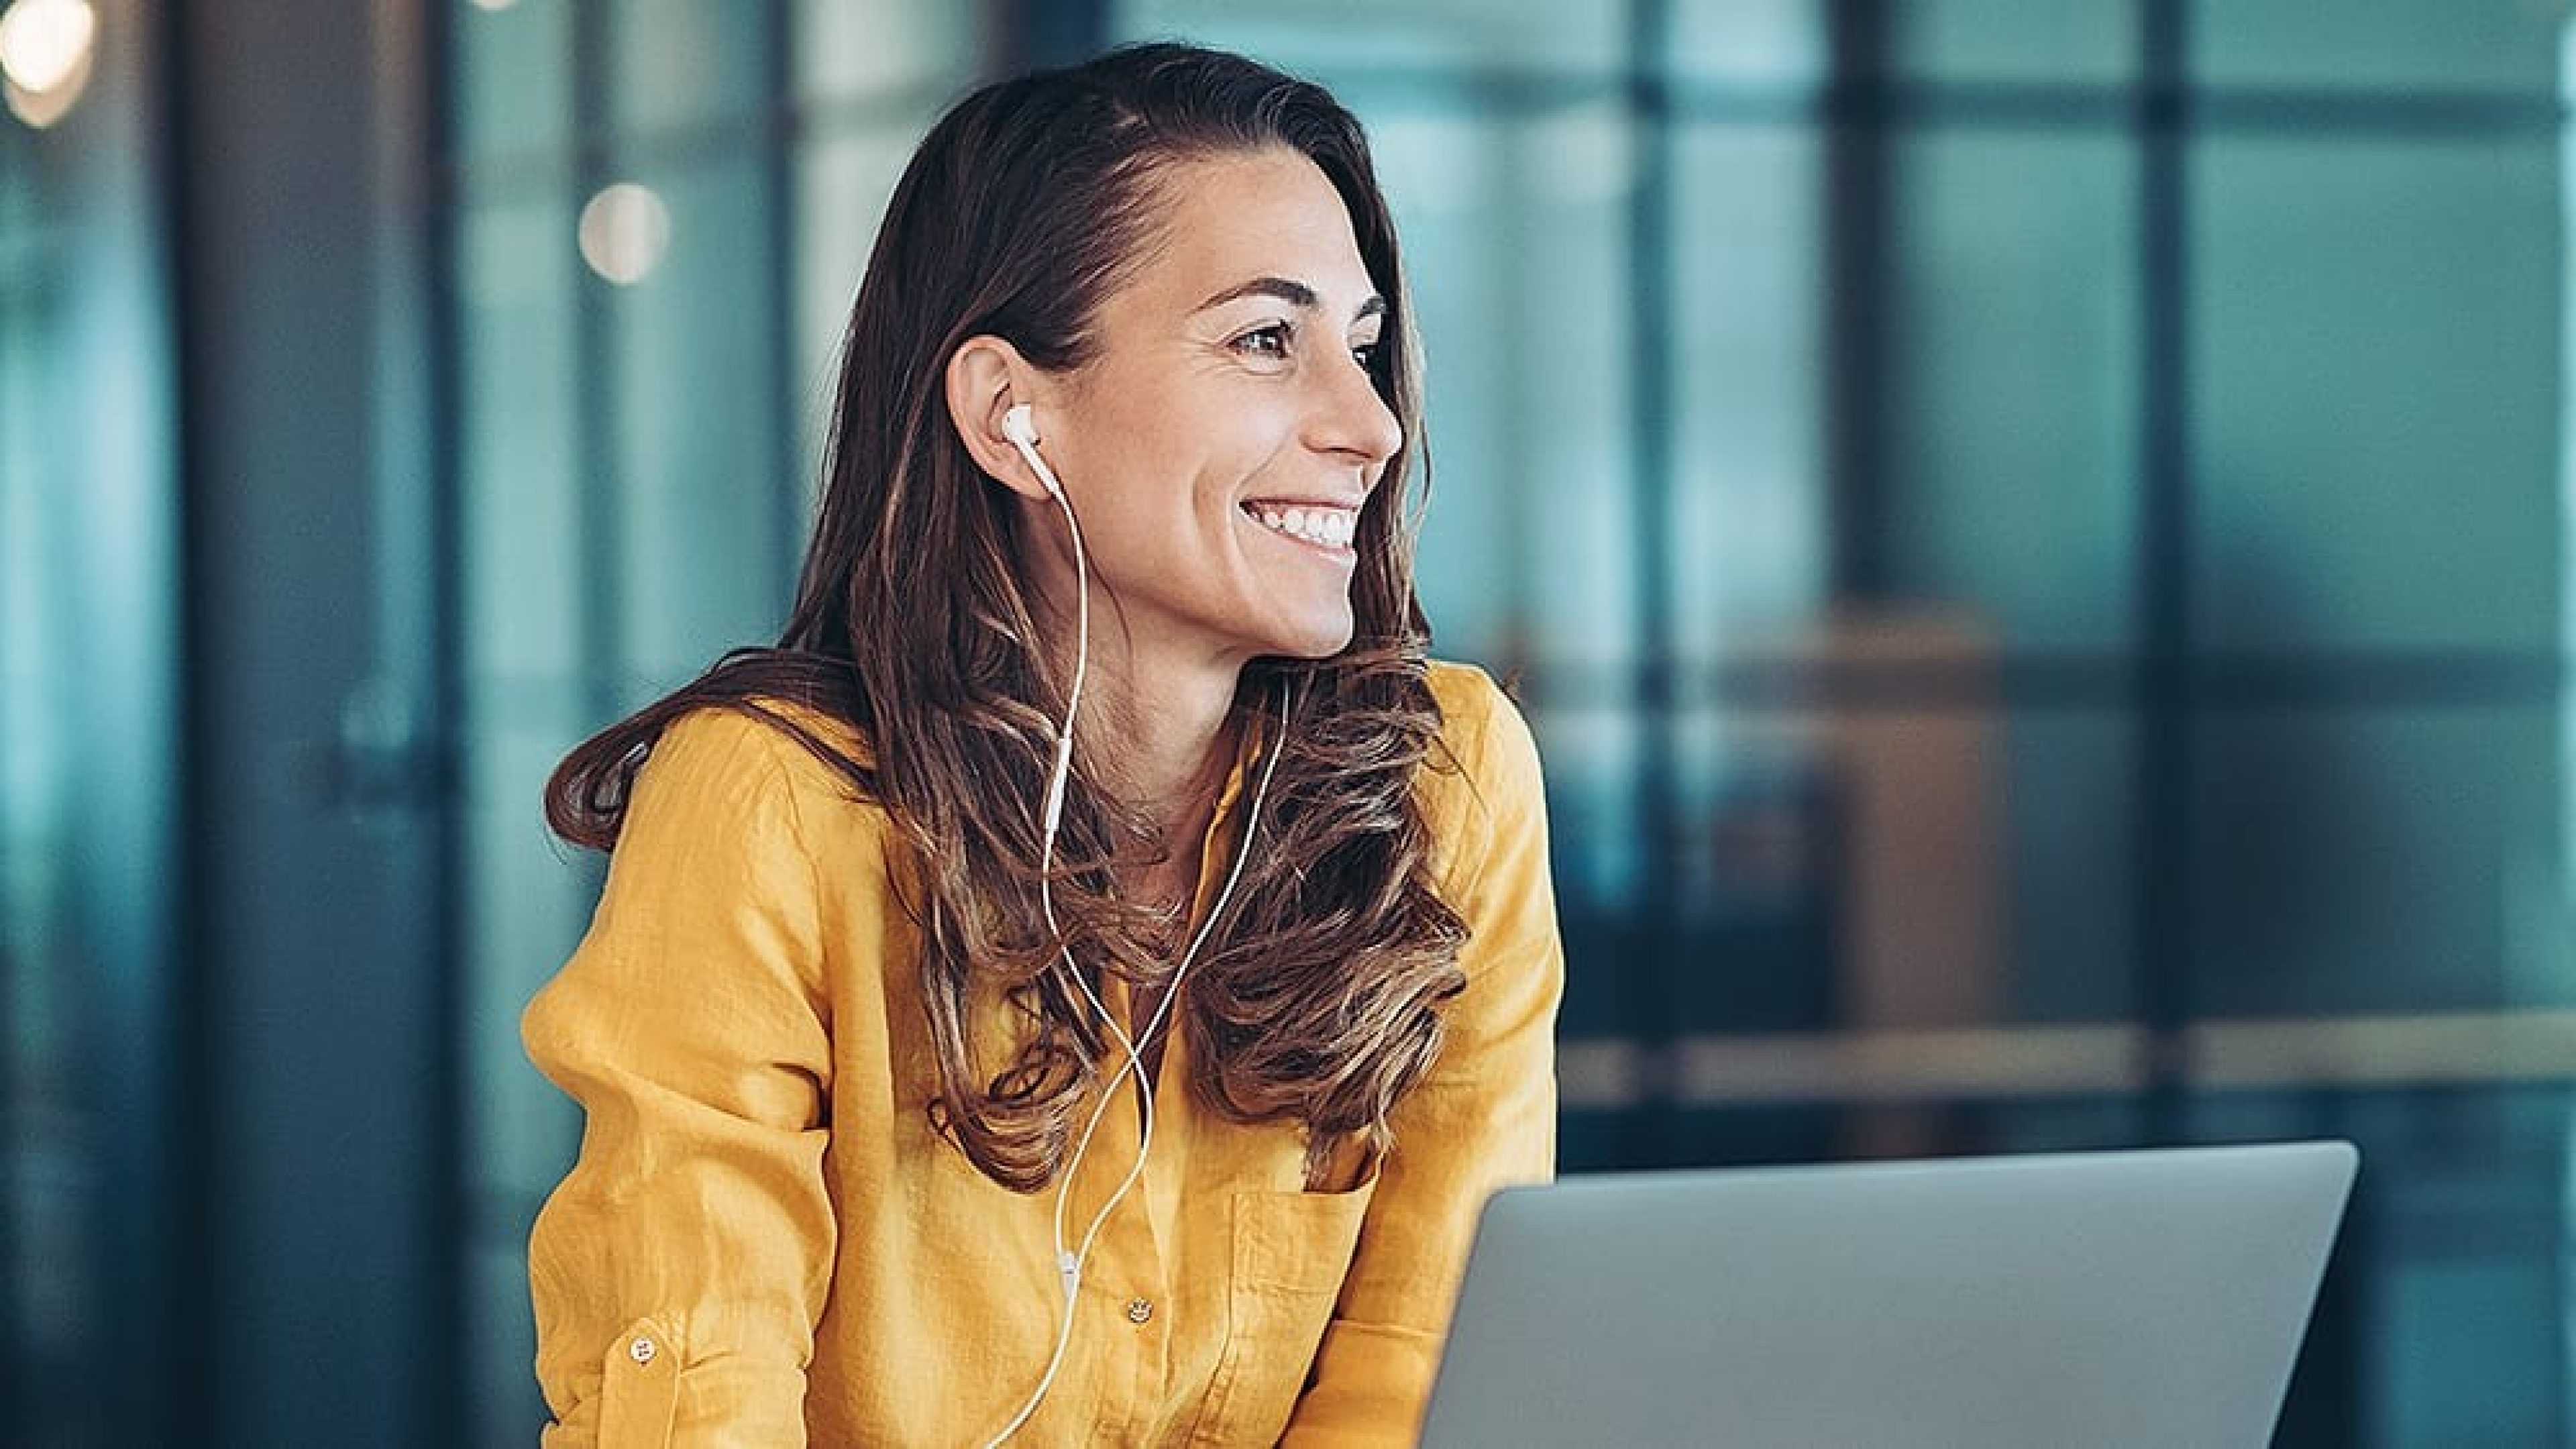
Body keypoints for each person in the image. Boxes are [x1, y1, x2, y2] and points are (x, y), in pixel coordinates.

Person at [522, 40, 1563, 1447]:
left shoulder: (1451, 783)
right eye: (1269, 339)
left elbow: (1428, 1362)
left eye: (1365, 348)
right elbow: (696, 1385)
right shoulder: (770, 802)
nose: (1370, 425)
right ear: (1013, 414)